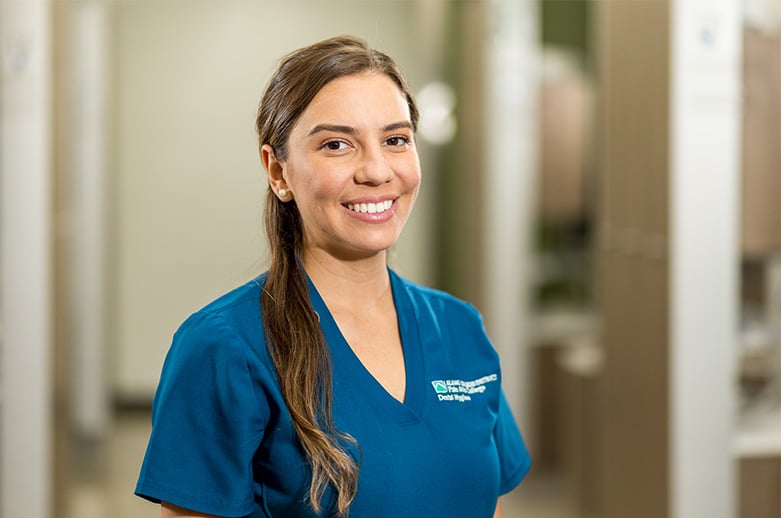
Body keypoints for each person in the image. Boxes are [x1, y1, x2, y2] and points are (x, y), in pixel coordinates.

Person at [135, 35, 531, 518]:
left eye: (395, 139)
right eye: (337, 144)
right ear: (278, 171)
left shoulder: (460, 327)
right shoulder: (224, 347)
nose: (376, 170)